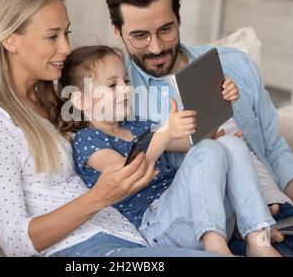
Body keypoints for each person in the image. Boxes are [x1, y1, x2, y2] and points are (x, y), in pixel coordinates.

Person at [105, 0, 293, 257]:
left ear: (179, 18)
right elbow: (137, 174)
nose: (156, 47)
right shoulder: (120, 94)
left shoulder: (234, 64)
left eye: (165, 29)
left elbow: (275, 150)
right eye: (139, 36)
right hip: (226, 226)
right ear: (117, 32)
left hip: (283, 213)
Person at [0, 0, 221, 257]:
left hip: (134, 237)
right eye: (52, 36)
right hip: (88, 251)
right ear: (11, 40)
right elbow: (15, 241)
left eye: (66, 34)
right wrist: (98, 197)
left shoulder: (58, 100)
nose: (66, 48)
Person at [57, 44, 280, 257]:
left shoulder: (136, 124)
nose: (126, 88)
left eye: (125, 80)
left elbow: (195, 142)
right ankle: (215, 246)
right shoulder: (89, 139)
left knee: (231, 144)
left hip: (199, 214)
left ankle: (257, 238)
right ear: (80, 100)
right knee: (210, 149)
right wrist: (165, 133)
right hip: (160, 226)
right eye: (112, 85)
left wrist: (221, 101)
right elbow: (125, 175)